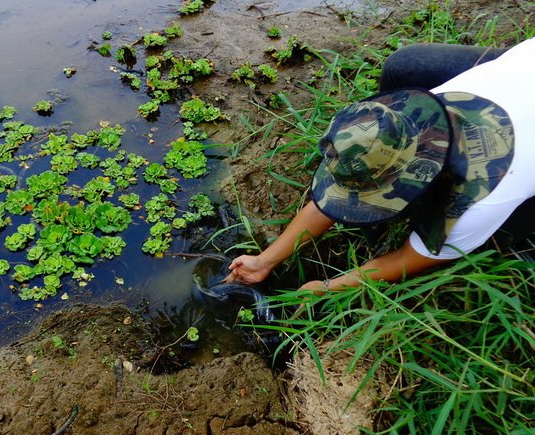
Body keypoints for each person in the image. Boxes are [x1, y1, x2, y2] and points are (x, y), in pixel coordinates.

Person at [225, 37, 535, 293]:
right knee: (405, 65)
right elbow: (336, 192)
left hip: (520, 153)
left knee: (497, 237)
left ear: (419, 177)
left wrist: (327, 286)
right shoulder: (415, 114)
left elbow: (406, 260)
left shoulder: (474, 205)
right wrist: (264, 261)